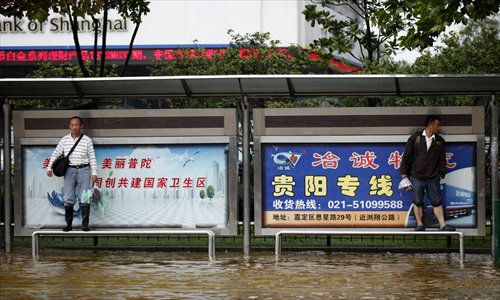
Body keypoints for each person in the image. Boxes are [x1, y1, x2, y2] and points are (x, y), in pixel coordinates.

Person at [400, 115, 455, 231]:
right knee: (417, 201)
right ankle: (420, 224)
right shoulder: (416, 138)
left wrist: (440, 174)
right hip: (416, 176)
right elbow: (406, 156)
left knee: (436, 201)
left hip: (433, 177)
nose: (438, 128)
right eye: (437, 125)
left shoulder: (439, 140)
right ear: (431, 125)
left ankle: (442, 225)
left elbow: (442, 159)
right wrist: (404, 174)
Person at [47, 116, 98, 232]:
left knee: (85, 196)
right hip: (69, 170)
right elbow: (56, 154)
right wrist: (49, 168)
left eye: (77, 124)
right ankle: (68, 224)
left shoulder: (87, 140)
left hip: (84, 170)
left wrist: (94, 172)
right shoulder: (64, 140)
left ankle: (85, 225)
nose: (74, 127)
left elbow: (92, 157)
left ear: (81, 126)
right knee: (68, 197)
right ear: (69, 126)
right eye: (72, 125)